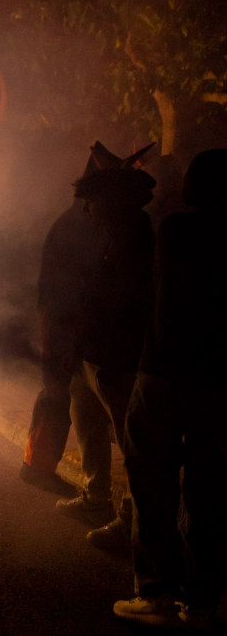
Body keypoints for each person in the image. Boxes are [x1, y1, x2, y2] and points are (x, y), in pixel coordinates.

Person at [113, 149, 227, 630]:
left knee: (153, 483)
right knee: (209, 490)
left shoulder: (177, 231)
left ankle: (156, 591)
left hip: (163, 373)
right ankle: (201, 601)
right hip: (220, 382)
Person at [57, 143, 156, 555]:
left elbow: (126, 305)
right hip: (96, 355)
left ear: (111, 203)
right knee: (85, 418)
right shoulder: (113, 238)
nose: (86, 211)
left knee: (132, 446)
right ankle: (96, 496)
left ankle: (130, 523)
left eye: (92, 202)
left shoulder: (135, 242)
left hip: (117, 359)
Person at [20, 164, 108, 496]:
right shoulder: (77, 227)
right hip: (64, 324)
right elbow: (64, 288)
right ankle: (36, 468)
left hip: (72, 324)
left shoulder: (83, 223)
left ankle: (42, 467)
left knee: (69, 398)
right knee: (56, 394)